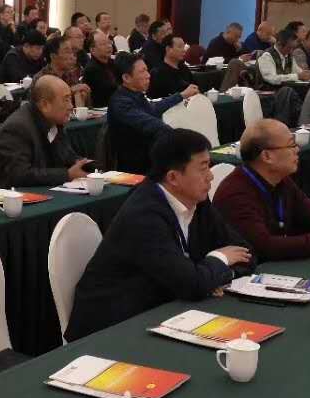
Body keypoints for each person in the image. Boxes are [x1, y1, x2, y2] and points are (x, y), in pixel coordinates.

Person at [65, 129, 252, 341]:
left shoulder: (197, 199)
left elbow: (246, 253)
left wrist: (213, 277)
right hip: (111, 328)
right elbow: (192, 284)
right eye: (203, 168)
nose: (210, 176)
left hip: (163, 310)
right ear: (173, 177)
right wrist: (219, 260)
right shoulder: (143, 215)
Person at [213, 119, 310, 260]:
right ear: (267, 156)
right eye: (291, 145)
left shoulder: (281, 180)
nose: (297, 150)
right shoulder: (235, 194)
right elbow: (265, 247)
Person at [0, 76, 88, 190]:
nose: (71, 106)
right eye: (66, 100)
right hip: (4, 197)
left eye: (70, 100)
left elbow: (67, 156)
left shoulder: (55, 121)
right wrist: (66, 175)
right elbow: (19, 175)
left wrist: (86, 165)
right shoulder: (18, 127)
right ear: (45, 105)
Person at [107, 52, 197, 173]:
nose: (148, 75)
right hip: (135, 168)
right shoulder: (121, 102)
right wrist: (180, 138)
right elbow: (149, 123)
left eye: (147, 70)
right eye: (142, 72)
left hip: (149, 159)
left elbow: (153, 109)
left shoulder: (135, 95)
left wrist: (181, 95)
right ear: (126, 78)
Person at [38, 34, 91, 106]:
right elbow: (47, 105)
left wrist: (83, 95)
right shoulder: (42, 78)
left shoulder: (70, 75)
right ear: (53, 56)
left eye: (72, 52)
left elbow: (83, 105)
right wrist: (71, 90)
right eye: (67, 52)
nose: (71, 56)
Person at [82, 30, 119, 109]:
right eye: (103, 44)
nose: (109, 46)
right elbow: (107, 92)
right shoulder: (91, 69)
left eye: (109, 43)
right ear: (92, 50)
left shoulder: (113, 63)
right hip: (102, 108)